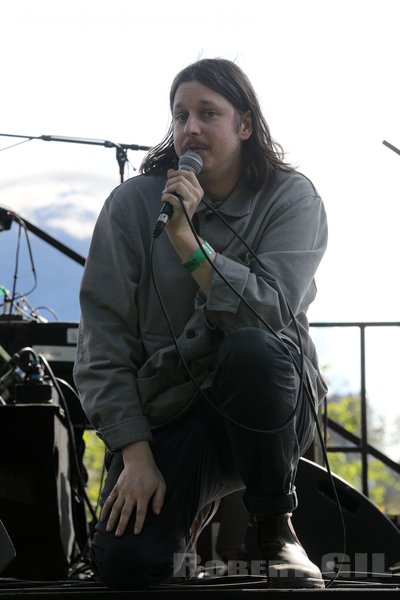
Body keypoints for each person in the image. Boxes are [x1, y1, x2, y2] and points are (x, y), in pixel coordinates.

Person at [73, 57, 328, 590]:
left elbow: (263, 313)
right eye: (180, 114)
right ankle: (182, 514)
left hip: (265, 405)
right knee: (128, 566)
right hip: (171, 410)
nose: (190, 127)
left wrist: (189, 245)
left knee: (252, 350)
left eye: (208, 113)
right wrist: (135, 455)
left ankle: (275, 526)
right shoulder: (132, 206)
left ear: (245, 125)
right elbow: (103, 340)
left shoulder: (290, 199)